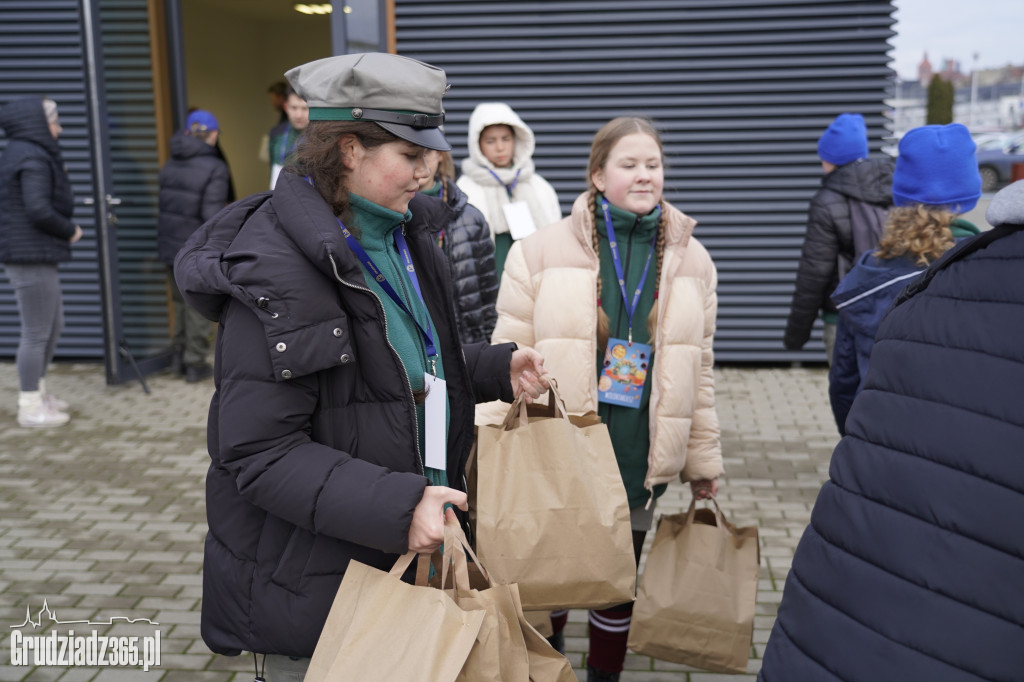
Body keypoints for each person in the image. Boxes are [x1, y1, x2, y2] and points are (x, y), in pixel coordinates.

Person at [173, 52, 548, 681]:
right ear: (349, 151)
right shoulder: (276, 267)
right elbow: (259, 453)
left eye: (432, 152)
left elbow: (394, 368)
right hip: (319, 593)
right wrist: (401, 507)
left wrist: (489, 368)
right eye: (411, 155)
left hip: (405, 562)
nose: (430, 172)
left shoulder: (407, 233)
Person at [479, 116, 723, 682]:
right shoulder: (536, 253)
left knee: (618, 579)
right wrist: (487, 446)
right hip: (559, 445)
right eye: (629, 164)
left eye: (654, 165)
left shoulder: (696, 261)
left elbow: (701, 372)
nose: (645, 175)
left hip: (641, 450)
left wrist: (702, 463)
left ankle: (604, 675)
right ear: (597, 174)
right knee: (557, 570)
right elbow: (504, 356)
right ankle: (554, 658)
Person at [758, 179, 1024, 682]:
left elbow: (844, 381)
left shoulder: (907, 281)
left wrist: (861, 439)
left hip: (852, 587)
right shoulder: (952, 267)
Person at [828, 123, 981, 434]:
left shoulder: (867, 272)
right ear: (970, 195)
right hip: (968, 449)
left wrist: (857, 441)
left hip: (881, 444)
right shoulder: (989, 267)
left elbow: (844, 382)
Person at [784, 113, 894, 363]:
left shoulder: (826, 201)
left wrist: (796, 335)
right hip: (888, 312)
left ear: (829, 159)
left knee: (846, 395)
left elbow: (814, 272)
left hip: (842, 317)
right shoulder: (892, 189)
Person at [0, 96, 82, 428]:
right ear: (35, 123)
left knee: (53, 325)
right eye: (54, 120)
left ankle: (39, 392)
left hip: (35, 253)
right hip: (29, 255)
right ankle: (29, 404)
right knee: (36, 331)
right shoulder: (30, 156)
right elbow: (37, 209)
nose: (59, 129)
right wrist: (71, 230)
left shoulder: (25, 152)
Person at [156, 109, 230, 382]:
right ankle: (195, 363)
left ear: (188, 133)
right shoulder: (215, 167)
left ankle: (178, 357)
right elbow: (212, 217)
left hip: (168, 244)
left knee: (178, 302)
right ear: (212, 135)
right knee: (197, 306)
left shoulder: (170, 163)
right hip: (193, 249)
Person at [456, 102, 561, 275]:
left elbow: (555, 238)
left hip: (533, 275)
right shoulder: (465, 188)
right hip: (490, 275)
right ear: (477, 144)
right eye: (491, 141)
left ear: (516, 140)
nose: (500, 147)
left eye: (506, 139)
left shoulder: (538, 185)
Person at [418, 148, 499, 344]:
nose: (419, 163)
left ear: (440, 156)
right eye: (411, 154)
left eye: (426, 153)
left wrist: (488, 348)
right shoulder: (389, 216)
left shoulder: (470, 218)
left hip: (466, 344)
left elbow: (488, 297)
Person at [267, 86, 308, 189]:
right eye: (294, 108)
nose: (299, 115)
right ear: (286, 107)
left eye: (304, 108)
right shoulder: (276, 133)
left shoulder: (320, 137)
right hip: (279, 193)